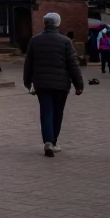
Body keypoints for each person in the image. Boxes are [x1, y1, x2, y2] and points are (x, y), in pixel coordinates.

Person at [21, 13, 83, 157]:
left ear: (44, 23)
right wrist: (78, 84)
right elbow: (73, 65)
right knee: (58, 112)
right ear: (58, 24)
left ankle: (47, 141)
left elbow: (28, 63)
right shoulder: (65, 41)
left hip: (42, 83)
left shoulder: (35, 40)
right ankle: (54, 142)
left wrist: (28, 82)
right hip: (61, 83)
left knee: (46, 111)